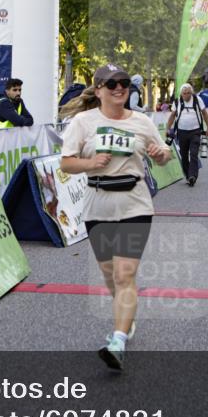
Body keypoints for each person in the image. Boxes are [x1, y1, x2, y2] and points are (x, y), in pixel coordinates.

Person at [58, 64, 172, 371]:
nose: (119, 87)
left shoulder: (142, 121)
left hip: (135, 203)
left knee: (124, 274)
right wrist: (91, 162)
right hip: (98, 205)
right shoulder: (83, 122)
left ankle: (118, 340)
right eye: (111, 83)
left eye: (123, 82)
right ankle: (126, 317)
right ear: (98, 90)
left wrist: (161, 155)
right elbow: (66, 164)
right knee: (111, 276)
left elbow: (163, 154)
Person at [166, 83, 208, 187]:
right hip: (182, 132)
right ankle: (188, 175)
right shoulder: (177, 102)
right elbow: (172, 116)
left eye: (188, 93)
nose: (186, 95)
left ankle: (193, 176)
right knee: (184, 156)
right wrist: (168, 128)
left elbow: (205, 114)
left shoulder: (197, 100)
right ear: (181, 93)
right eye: (184, 93)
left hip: (195, 131)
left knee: (194, 153)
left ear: (192, 92)